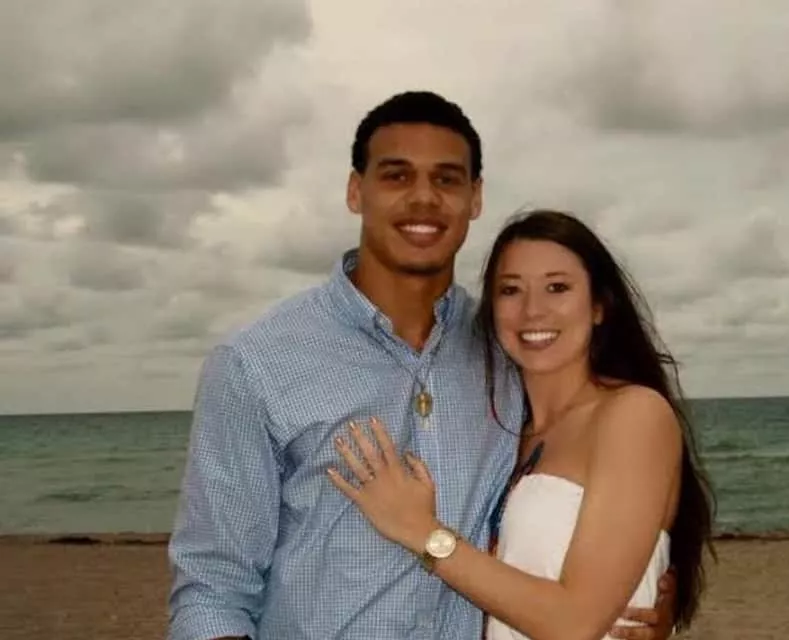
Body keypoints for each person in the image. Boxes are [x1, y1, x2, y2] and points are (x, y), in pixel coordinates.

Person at [167, 91, 675, 639]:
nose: (424, 198)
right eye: (397, 176)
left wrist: (648, 594)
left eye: (447, 179)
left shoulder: (509, 353)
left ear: (474, 198)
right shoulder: (256, 363)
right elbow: (213, 589)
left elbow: (586, 501)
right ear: (356, 191)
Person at [326, 209, 717, 640]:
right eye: (511, 290)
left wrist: (422, 531)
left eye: (557, 287)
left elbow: (575, 622)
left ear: (599, 306)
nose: (533, 310)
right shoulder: (507, 434)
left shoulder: (633, 415)